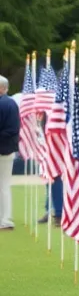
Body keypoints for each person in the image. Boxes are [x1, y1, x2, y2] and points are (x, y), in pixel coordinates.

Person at [0, 76, 17, 231]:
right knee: (4, 185)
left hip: (3, 149)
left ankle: (5, 219)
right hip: (8, 149)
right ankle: (5, 219)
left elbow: (10, 129)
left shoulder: (4, 103)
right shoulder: (11, 103)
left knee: (3, 185)